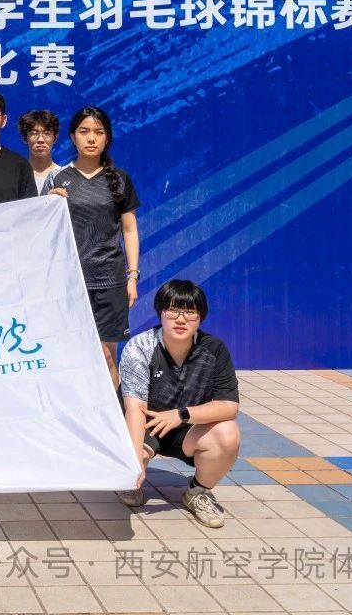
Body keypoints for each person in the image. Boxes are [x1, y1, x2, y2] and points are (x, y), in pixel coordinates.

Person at [117, 280, 241, 528]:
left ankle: (197, 493)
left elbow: (229, 406)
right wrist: (134, 461)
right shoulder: (140, 347)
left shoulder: (214, 349)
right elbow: (134, 408)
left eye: (190, 312)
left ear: (200, 317)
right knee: (134, 462)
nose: (181, 319)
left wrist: (180, 415)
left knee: (228, 433)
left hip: (185, 428)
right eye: (172, 311)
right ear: (161, 313)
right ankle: (130, 480)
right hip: (144, 425)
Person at [52, 106, 140, 389]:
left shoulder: (120, 179)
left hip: (109, 281)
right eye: (84, 132)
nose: (91, 138)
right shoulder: (58, 179)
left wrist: (132, 276)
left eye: (98, 132)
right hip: (69, 282)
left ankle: (109, 414)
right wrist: (49, 202)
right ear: (72, 137)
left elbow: (129, 230)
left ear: (107, 138)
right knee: (70, 355)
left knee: (106, 356)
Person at [18, 110, 68, 194]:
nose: (40, 140)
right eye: (34, 133)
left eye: (47, 133)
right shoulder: (16, 176)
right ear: (24, 138)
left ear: (55, 138)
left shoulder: (64, 176)